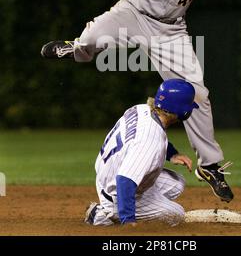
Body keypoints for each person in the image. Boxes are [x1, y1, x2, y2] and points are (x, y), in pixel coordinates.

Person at [13, 0, 241, 202]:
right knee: (94, 35)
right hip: (134, 14)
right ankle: (77, 49)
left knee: (198, 94)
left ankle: (209, 166)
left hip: (171, 31)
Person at [84, 78, 197, 226]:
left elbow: (140, 140)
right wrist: (129, 222)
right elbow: (125, 180)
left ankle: (139, 205)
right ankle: (102, 215)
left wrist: (172, 154)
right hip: (117, 191)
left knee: (177, 183)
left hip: (108, 171)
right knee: (176, 214)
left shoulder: (141, 109)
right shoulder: (150, 140)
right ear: (182, 110)